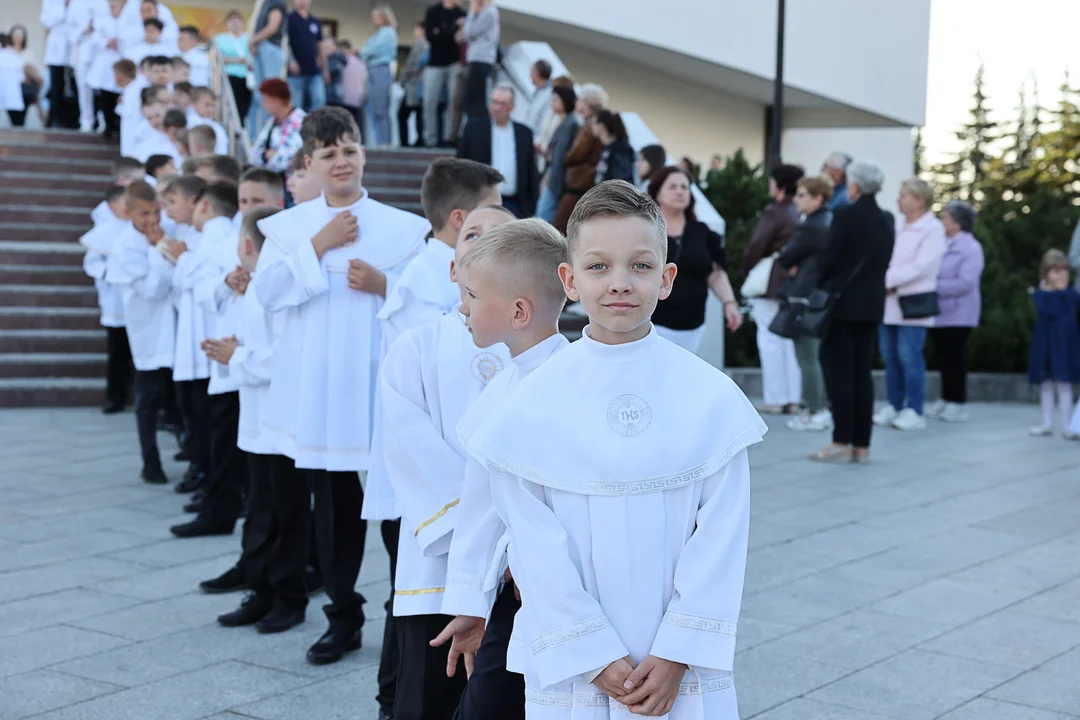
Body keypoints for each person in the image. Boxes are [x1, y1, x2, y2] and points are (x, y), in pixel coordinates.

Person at [461, 180, 764, 717]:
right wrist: (593, 655)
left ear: (667, 279)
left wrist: (676, 653)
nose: (620, 283)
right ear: (569, 279)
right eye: (598, 267)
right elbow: (532, 544)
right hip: (578, 666)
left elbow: (722, 534)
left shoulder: (709, 396)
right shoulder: (531, 404)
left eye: (641, 266)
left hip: (678, 666)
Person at [253, 107, 432, 666]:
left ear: (363, 154)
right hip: (321, 393)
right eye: (327, 153)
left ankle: (405, 616)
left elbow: (432, 300)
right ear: (309, 161)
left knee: (399, 511)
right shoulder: (290, 228)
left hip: (381, 388)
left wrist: (387, 284)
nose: (340, 161)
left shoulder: (402, 228)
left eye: (349, 149)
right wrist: (320, 243)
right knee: (331, 510)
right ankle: (342, 615)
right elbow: (268, 294)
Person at [364, 156, 503, 720]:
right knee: (428, 696)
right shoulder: (415, 348)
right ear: (452, 264)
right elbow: (409, 444)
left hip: (522, 569)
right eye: (472, 233)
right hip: (439, 555)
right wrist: (476, 531)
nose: (487, 243)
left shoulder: (553, 357)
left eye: (505, 235)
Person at [434, 219, 571, 720]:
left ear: (518, 311)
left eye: (471, 295)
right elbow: (482, 504)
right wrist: (471, 603)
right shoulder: (510, 383)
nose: (462, 307)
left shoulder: (566, 387)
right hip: (510, 596)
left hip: (548, 596)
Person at [170, 183, 247, 538]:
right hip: (218, 347)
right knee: (217, 435)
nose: (248, 208)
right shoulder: (215, 239)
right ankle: (218, 504)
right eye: (244, 201)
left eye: (256, 201)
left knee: (222, 438)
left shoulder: (226, 237)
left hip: (229, 347)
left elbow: (195, 282)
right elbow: (200, 287)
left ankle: (221, 507)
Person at [809, 161, 894, 464]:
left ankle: (840, 440)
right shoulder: (887, 219)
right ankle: (862, 445)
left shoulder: (845, 215)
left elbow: (830, 258)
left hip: (843, 305)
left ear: (855, 185)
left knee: (840, 373)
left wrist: (817, 281)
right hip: (872, 305)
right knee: (862, 375)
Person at [106, 181, 176, 484]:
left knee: (179, 398)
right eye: (144, 213)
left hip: (177, 328)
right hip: (149, 330)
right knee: (148, 398)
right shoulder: (125, 248)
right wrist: (159, 250)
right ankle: (150, 460)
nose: (153, 220)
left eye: (157, 211)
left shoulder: (169, 228)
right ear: (128, 212)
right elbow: (154, 289)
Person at [873, 177, 946, 432]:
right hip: (888, 301)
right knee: (890, 356)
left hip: (912, 302)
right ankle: (894, 404)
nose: (898, 199)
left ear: (919, 200)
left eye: (903, 195)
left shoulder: (933, 229)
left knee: (909, 356)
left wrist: (887, 281)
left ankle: (914, 409)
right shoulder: (898, 225)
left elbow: (923, 265)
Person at [647, 166, 741, 353]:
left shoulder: (702, 232)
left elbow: (715, 274)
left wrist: (729, 303)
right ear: (657, 192)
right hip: (650, 326)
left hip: (692, 327)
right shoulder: (644, 231)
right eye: (672, 187)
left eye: (684, 187)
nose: (680, 191)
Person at [742, 163, 804, 413]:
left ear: (780, 185)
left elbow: (757, 245)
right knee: (789, 341)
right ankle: (793, 398)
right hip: (795, 283)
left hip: (770, 281)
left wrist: (748, 268)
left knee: (769, 339)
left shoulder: (774, 213)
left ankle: (775, 399)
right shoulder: (801, 212)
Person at [776, 175, 834, 432]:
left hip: (806, 296)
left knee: (807, 355)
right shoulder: (824, 221)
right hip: (814, 295)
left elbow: (787, 256)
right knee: (810, 355)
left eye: (802, 195)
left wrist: (790, 261)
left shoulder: (813, 225)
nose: (796, 199)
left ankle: (816, 410)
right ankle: (815, 408)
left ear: (817, 198)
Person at [927, 201, 984, 423]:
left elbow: (966, 283)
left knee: (954, 358)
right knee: (943, 357)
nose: (942, 221)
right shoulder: (941, 244)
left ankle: (957, 402)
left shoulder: (971, 248)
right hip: (940, 312)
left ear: (958, 223)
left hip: (960, 314)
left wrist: (933, 288)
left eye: (946, 217)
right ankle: (946, 398)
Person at [81, 185, 133, 415]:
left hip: (138, 298)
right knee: (117, 353)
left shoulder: (137, 228)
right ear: (113, 206)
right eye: (125, 204)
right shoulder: (104, 232)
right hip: (115, 301)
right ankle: (115, 397)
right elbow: (92, 264)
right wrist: (111, 270)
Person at [457, 86, 539, 218]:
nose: (497, 108)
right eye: (494, 102)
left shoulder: (524, 133)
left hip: (515, 204)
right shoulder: (473, 129)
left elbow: (531, 171)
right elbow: (460, 166)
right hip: (480, 203)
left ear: (512, 106)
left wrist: (531, 206)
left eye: (502, 104)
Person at [1027, 249, 1080, 439]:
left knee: (1064, 384)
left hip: (1065, 344)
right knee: (1046, 384)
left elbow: (1069, 307)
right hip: (1046, 343)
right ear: (1046, 273)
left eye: (1064, 270)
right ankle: (1046, 423)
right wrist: (1050, 290)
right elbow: (1049, 311)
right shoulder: (1042, 295)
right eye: (1055, 271)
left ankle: (1067, 425)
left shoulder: (1071, 294)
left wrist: (1061, 290)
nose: (1061, 275)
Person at [552, 83, 607, 233]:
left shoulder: (589, 127)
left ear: (588, 103)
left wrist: (563, 158)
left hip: (578, 184)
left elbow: (576, 154)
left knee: (559, 229)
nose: (576, 102)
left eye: (580, 99)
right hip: (583, 184)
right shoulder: (593, 125)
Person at [421, 0, 465, 148]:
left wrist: (441, 30)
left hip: (455, 63)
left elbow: (460, 38)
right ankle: (430, 140)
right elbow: (429, 35)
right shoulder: (433, 11)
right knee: (429, 102)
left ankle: (449, 138)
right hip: (435, 64)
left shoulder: (462, 14)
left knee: (454, 102)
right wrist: (451, 29)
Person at [535, 84, 577, 223]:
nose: (553, 103)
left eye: (556, 100)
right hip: (553, 177)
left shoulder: (569, 124)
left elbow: (560, 156)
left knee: (542, 216)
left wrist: (554, 184)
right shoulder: (564, 121)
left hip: (556, 182)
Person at [360, 4, 397, 146]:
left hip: (381, 69)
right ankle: (378, 140)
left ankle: (385, 142)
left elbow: (371, 49)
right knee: (373, 107)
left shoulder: (388, 32)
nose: (374, 19)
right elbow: (366, 53)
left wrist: (366, 51)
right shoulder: (376, 34)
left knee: (381, 107)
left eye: (376, 16)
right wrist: (366, 52)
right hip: (372, 70)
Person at [247, 0, 286, 134]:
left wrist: (253, 40)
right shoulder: (264, 4)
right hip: (262, 48)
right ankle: (256, 135)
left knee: (270, 93)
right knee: (259, 96)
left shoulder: (277, 3)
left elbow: (272, 27)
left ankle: (271, 133)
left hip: (270, 48)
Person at [251, 78, 305, 173]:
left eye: (266, 100)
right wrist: (265, 155)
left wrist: (271, 156)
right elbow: (254, 153)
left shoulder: (299, 120)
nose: (263, 104)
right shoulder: (271, 121)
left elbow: (291, 159)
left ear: (277, 100)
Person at [41, 0, 78, 129]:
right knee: (57, 86)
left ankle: (74, 119)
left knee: (75, 85)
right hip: (57, 49)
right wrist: (64, 6)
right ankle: (55, 118)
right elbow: (46, 20)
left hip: (75, 45)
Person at [285, 0, 325, 112]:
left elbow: (320, 44)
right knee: (296, 106)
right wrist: (291, 61)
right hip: (296, 72)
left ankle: (315, 129)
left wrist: (324, 65)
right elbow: (285, 43)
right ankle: (296, 129)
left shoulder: (315, 21)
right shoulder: (288, 19)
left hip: (315, 71)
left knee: (319, 100)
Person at [213, 10, 252, 123]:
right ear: (226, 23)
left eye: (238, 19)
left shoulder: (248, 38)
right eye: (232, 20)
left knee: (244, 106)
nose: (235, 23)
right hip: (228, 77)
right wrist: (237, 60)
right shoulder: (220, 39)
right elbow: (216, 57)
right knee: (230, 105)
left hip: (246, 78)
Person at [462, 0, 498, 119]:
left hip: (481, 60)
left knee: (475, 101)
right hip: (477, 60)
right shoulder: (486, 12)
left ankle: (478, 131)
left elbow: (468, 33)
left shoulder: (489, 12)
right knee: (472, 99)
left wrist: (471, 13)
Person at [398, 22, 428, 147]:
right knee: (418, 114)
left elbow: (412, 65)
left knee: (402, 114)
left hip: (413, 84)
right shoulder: (427, 44)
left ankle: (405, 142)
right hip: (419, 84)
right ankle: (419, 140)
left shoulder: (420, 43)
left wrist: (403, 80)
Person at [592, 110, 635, 185]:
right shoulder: (609, 148)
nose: (592, 126)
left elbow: (620, 180)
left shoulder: (621, 149)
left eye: (594, 123)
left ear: (601, 126)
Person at [336, 39, 368, 143]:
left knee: (344, 128)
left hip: (344, 99)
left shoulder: (341, 63)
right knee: (356, 128)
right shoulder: (361, 63)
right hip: (358, 99)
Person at [188, 87, 228, 154]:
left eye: (213, 105)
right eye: (207, 105)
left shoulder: (217, 127)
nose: (211, 109)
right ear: (194, 104)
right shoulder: (188, 123)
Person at [524, 59, 552, 136]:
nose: (530, 75)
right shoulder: (539, 91)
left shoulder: (549, 95)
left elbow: (544, 121)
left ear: (537, 74)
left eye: (531, 72)